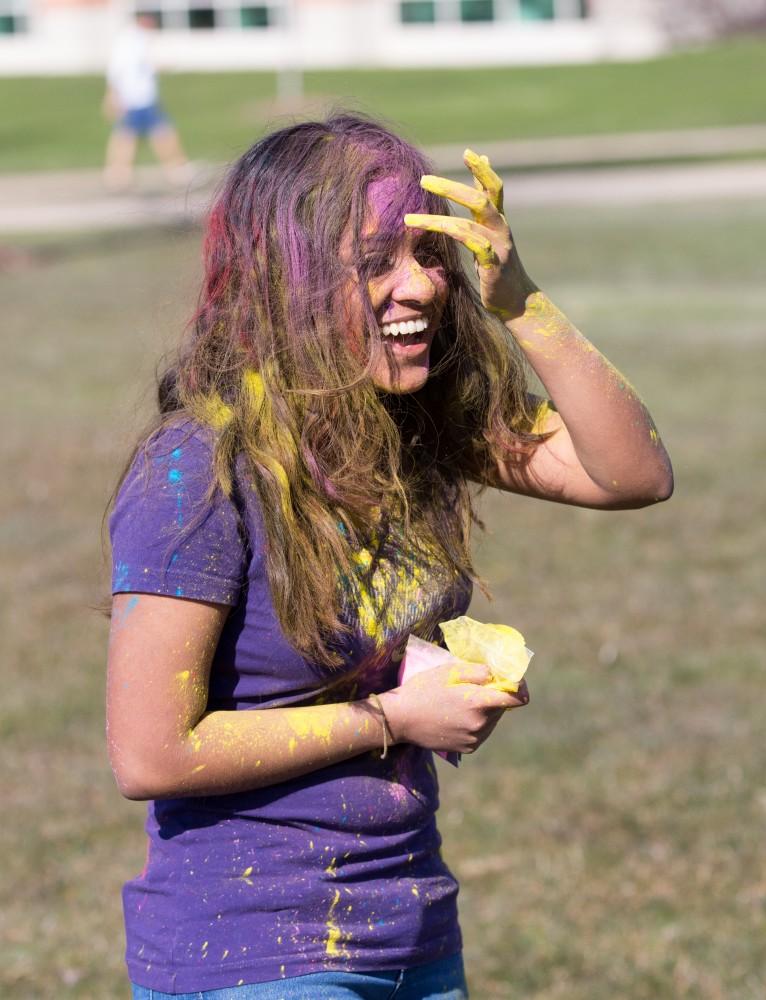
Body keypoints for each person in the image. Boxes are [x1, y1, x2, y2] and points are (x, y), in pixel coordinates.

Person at [106, 113, 673, 999]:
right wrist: (394, 719)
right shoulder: (199, 470)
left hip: (409, 932)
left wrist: (517, 296)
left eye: (428, 256)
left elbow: (633, 473)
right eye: (375, 262)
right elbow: (152, 754)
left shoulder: (419, 427)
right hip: (252, 952)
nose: (422, 288)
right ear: (284, 283)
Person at [102, 13, 190, 191]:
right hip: (135, 98)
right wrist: (113, 96)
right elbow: (117, 70)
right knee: (138, 135)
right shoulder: (130, 40)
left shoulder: (138, 39)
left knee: (152, 133)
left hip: (143, 97)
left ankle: (120, 174)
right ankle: (120, 173)